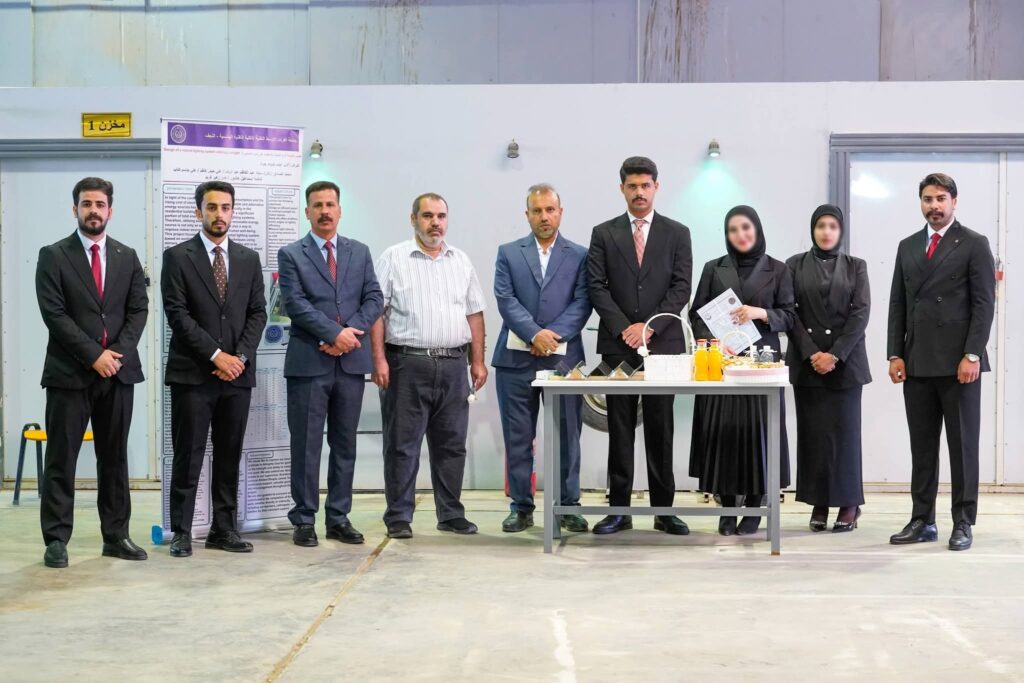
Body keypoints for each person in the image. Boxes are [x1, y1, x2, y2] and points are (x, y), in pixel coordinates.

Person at [35, 176, 149, 568]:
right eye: (87, 204)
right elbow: (54, 314)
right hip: (69, 375)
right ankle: (56, 539)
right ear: (75, 209)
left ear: (110, 211)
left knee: (114, 458)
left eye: (100, 204)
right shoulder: (53, 255)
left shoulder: (126, 256)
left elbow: (138, 310)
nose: (94, 211)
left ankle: (116, 536)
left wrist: (115, 354)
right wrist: (93, 355)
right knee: (61, 458)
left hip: (118, 373)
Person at [887, 173, 995, 551]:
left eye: (941, 199)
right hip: (917, 361)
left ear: (954, 202)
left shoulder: (974, 244)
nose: (934, 206)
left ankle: (963, 521)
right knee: (922, 448)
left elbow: (984, 304)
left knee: (963, 448)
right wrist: (895, 353)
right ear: (921, 202)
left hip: (959, 363)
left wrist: (972, 354)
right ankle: (922, 520)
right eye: (928, 199)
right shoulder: (908, 246)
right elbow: (898, 303)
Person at [370, 193, 488, 539]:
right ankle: (398, 517)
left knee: (452, 444)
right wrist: (378, 359)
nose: (435, 223)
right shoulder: (394, 258)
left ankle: (450, 514)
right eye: (427, 216)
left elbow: (475, 314)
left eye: (441, 216)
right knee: (402, 445)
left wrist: (478, 361)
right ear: (413, 220)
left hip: (453, 365)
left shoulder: (460, 260)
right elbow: (376, 313)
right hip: (406, 364)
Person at [587, 156, 693, 536]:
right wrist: (625, 329)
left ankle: (664, 511)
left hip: (662, 345)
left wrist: (648, 328)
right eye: (632, 186)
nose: (639, 192)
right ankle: (619, 511)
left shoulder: (677, 233)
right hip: (618, 346)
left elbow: (681, 287)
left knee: (661, 430)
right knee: (619, 430)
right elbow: (596, 286)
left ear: (656, 187)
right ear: (622, 189)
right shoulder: (604, 233)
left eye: (645, 185)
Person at [162, 180, 267, 557]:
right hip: (193, 374)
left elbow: (258, 313)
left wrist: (239, 358)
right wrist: (215, 355)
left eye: (225, 207)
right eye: (211, 207)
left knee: (229, 454)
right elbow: (177, 314)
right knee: (188, 455)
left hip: (236, 375)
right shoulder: (178, 257)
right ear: (198, 212)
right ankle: (182, 531)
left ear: (233, 212)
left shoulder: (248, 259)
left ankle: (224, 529)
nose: (219, 214)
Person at [278, 180, 383, 548]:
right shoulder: (291, 254)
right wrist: (334, 334)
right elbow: (295, 304)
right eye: (318, 205)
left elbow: (374, 298)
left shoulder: (360, 251)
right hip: (309, 363)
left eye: (330, 204)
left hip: (350, 364)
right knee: (306, 446)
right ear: (307, 211)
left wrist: (348, 335)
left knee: (345, 444)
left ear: (340, 210)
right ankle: (304, 519)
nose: (324, 211)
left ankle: (338, 517)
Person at [689, 205, 796, 536]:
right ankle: (727, 506)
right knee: (724, 434)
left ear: (757, 229)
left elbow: (790, 316)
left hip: (762, 363)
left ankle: (754, 504)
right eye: (733, 230)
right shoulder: (713, 268)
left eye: (746, 227)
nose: (741, 235)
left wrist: (760, 313)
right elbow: (696, 315)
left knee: (758, 433)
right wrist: (714, 342)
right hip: (723, 363)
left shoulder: (779, 269)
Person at [492, 184, 592, 533]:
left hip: (563, 362)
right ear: (527, 215)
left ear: (560, 212)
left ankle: (568, 506)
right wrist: (535, 334)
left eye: (550, 210)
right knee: (518, 437)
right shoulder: (508, 253)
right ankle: (521, 507)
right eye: (537, 211)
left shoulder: (580, 255)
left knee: (568, 436)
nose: (544, 217)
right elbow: (505, 300)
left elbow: (583, 302)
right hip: (514, 362)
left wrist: (551, 337)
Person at [786, 205, 871, 533]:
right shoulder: (794, 265)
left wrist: (834, 355)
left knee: (846, 436)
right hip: (808, 365)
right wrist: (812, 353)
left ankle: (850, 503)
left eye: (832, 226)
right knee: (813, 435)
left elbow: (860, 314)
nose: (826, 232)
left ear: (840, 231)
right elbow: (790, 313)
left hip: (845, 364)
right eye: (821, 225)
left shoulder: (855, 266)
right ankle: (819, 502)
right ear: (813, 229)